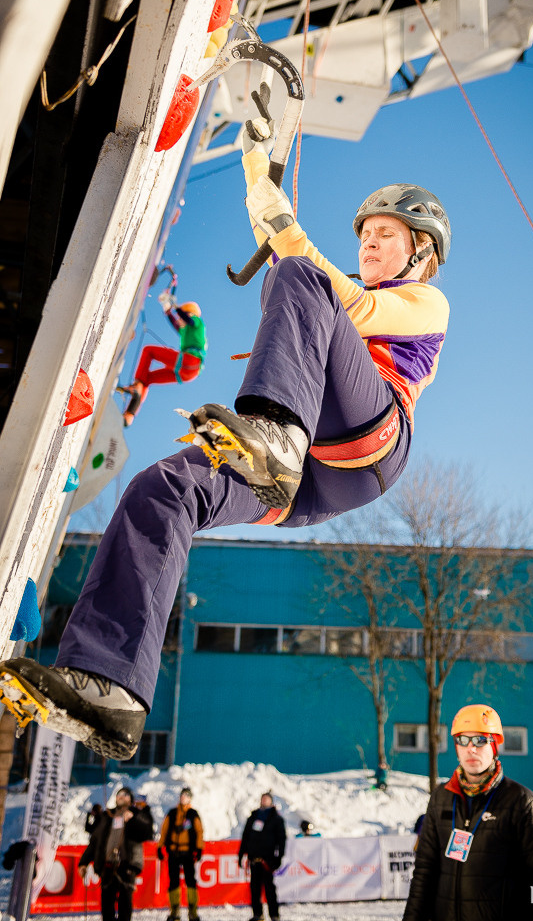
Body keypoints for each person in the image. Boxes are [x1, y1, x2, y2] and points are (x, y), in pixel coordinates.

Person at [0, 119, 451, 762]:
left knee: (294, 279)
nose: (370, 244)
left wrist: (280, 226)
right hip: (303, 478)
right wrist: (258, 184)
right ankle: (109, 685)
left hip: (366, 444)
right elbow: (309, 270)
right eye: (367, 235)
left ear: (421, 252)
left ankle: (275, 434)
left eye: (386, 235)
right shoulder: (331, 291)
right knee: (162, 490)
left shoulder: (426, 302)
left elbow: (337, 293)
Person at [403, 704, 533, 921]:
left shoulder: (524, 803)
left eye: (480, 740)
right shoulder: (441, 798)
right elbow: (424, 871)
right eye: (462, 740)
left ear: (495, 745)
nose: (471, 748)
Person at [119, 293, 207, 427]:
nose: (179, 319)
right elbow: (176, 324)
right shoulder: (186, 330)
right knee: (147, 379)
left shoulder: (196, 322)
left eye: (181, 316)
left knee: (148, 351)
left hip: (191, 361)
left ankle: (136, 386)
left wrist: (176, 307)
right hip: (188, 373)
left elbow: (187, 319)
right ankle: (130, 414)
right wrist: (168, 311)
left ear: (189, 313)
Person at [78, 787, 154, 921]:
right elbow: (95, 841)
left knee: (125, 909)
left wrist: (134, 817)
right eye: (119, 794)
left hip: (127, 866)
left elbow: (147, 830)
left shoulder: (136, 813)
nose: (121, 797)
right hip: (107, 866)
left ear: (131, 799)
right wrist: (83, 862)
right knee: (107, 909)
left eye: (125, 795)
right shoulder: (107, 816)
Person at [157, 787, 204, 921]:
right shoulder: (172, 813)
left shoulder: (193, 813)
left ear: (190, 798)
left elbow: (199, 831)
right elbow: (164, 830)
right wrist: (160, 847)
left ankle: (192, 911)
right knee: (174, 881)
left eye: (186, 796)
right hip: (173, 851)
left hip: (188, 852)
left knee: (190, 881)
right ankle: (175, 910)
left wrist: (199, 848)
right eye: (182, 795)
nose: (183, 798)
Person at [238, 792, 286, 921]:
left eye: (267, 799)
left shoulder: (276, 818)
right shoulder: (254, 816)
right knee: (255, 888)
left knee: (269, 888)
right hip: (254, 858)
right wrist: (241, 854)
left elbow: (281, 839)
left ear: (271, 802)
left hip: (268, 859)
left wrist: (278, 857)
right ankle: (257, 914)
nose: (264, 801)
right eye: (262, 799)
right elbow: (245, 836)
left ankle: (274, 915)